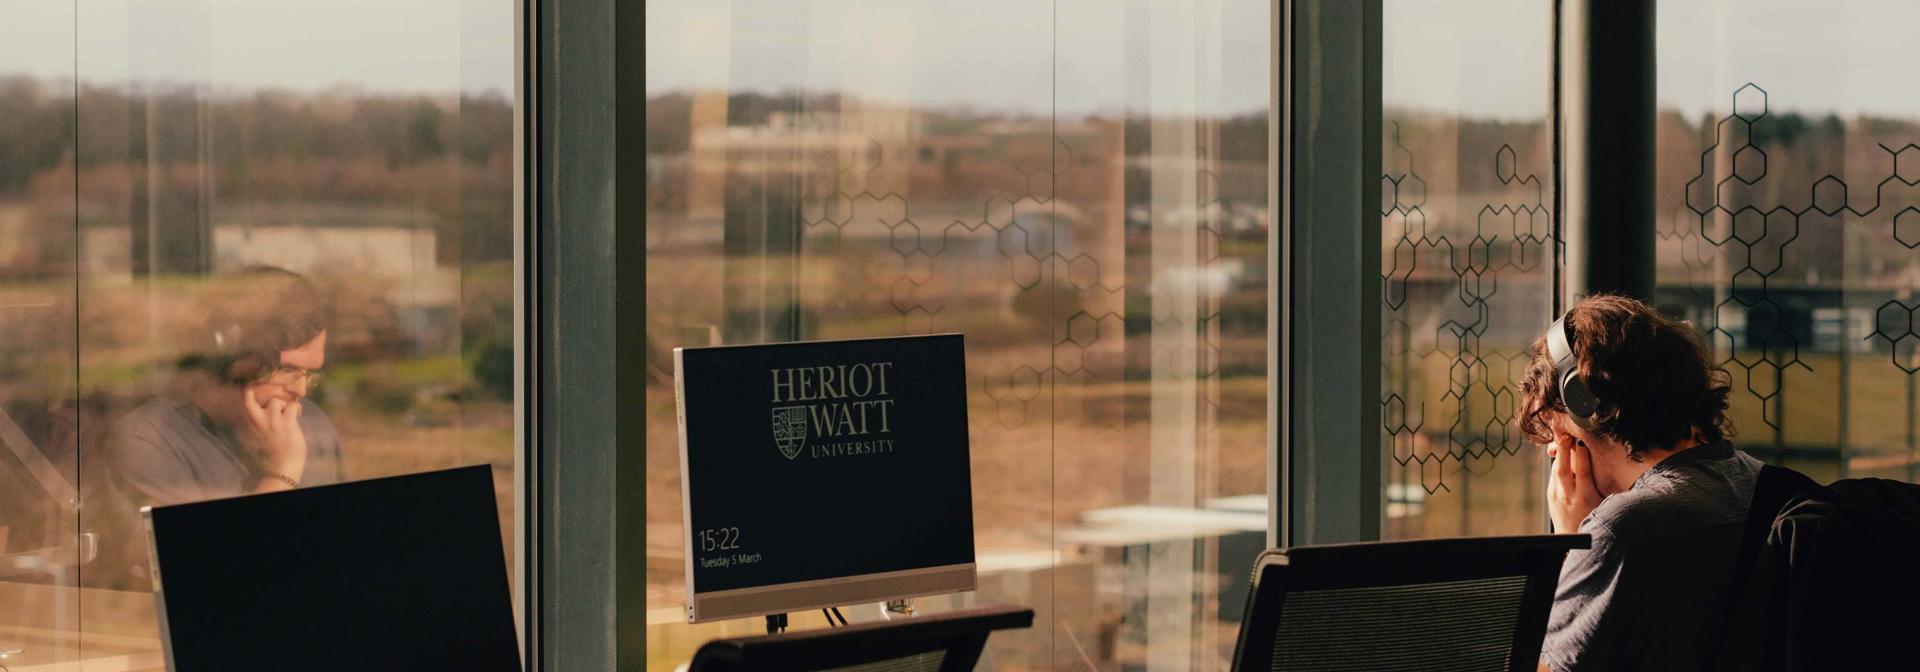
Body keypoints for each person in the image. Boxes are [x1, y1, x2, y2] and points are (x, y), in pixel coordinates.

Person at [1518, 294, 1754, 672]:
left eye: (1557, 439)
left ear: (1584, 408)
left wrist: (1575, 542)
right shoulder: (1761, 483)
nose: (1554, 456)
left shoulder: (1625, 530)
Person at [108, 266, 344, 508]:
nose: (301, 391)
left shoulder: (315, 429)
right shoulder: (149, 443)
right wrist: (285, 469)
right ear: (235, 357)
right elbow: (214, 547)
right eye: (288, 371)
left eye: (310, 374)